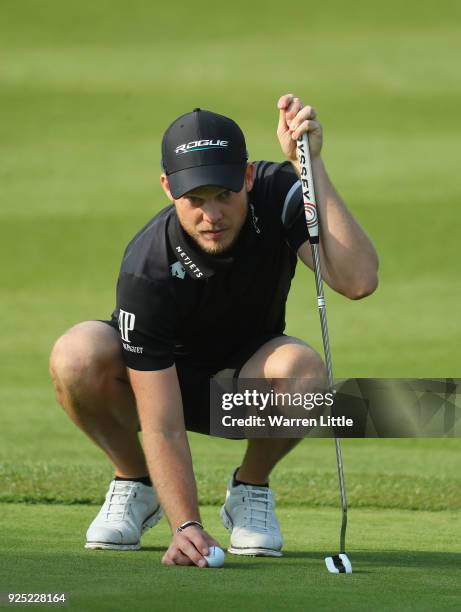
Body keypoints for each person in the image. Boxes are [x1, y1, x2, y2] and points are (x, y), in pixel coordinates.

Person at [49, 94, 378, 567]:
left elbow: (359, 280)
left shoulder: (274, 191)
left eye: (225, 194)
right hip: (159, 387)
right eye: (195, 200)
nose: (213, 215)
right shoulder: (149, 268)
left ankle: (249, 488)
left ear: (246, 177)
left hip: (245, 389)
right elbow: (161, 423)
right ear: (168, 188)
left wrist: (312, 168)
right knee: (75, 355)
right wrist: (186, 526)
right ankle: (136, 483)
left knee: (303, 373)